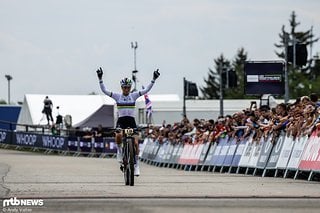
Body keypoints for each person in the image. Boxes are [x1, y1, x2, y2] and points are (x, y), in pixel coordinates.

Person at [96, 67, 160, 176]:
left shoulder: (134, 96)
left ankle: (136, 166)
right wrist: (100, 78)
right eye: (125, 87)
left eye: (128, 87)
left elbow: (146, 90)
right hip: (121, 121)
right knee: (119, 136)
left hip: (131, 121)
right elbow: (104, 91)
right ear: (122, 87)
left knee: (135, 143)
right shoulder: (117, 96)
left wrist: (153, 79)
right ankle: (120, 152)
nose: (127, 89)